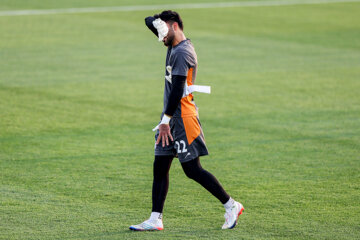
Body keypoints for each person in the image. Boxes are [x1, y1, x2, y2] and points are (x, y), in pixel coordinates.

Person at [129, 10, 244, 231]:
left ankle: (231, 205)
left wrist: (165, 120)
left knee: (192, 169)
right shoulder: (172, 45)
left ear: (174, 26)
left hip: (181, 118)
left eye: (162, 31)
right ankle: (155, 219)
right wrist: (158, 25)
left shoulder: (183, 52)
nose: (159, 38)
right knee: (160, 167)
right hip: (170, 118)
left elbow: (178, 90)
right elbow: (147, 21)